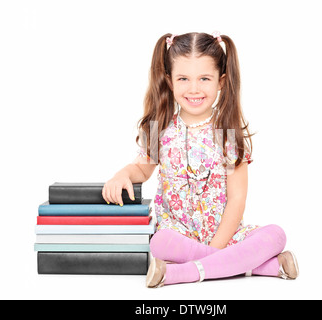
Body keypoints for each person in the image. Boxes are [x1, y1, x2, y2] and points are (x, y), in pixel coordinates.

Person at [102, 32, 299, 288]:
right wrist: (122, 175)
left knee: (276, 235)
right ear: (170, 81)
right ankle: (261, 266)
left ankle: (179, 274)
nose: (194, 88)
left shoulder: (228, 131)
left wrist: (217, 246)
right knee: (158, 243)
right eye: (183, 78)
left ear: (221, 81)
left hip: (225, 234)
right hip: (178, 235)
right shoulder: (159, 127)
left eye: (204, 78)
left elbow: (237, 198)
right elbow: (142, 168)